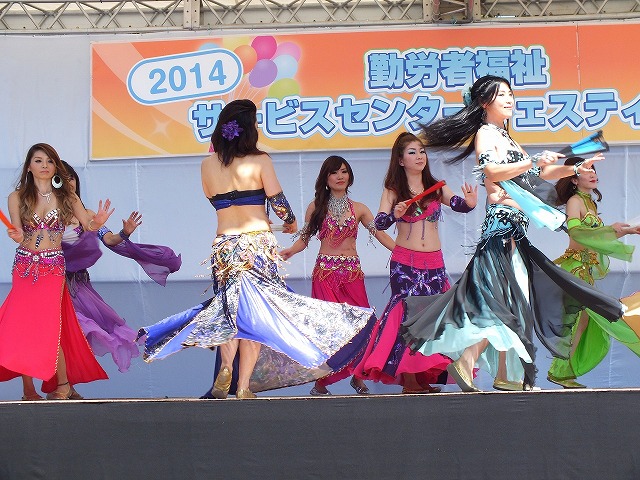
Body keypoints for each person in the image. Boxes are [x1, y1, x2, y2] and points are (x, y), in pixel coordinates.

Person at [401, 75, 627, 391]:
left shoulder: (507, 138)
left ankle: (506, 374)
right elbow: (492, 170)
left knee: (513, 298)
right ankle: (469, 362)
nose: (509, 99)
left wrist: (573, 168)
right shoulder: (485, 134)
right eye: (502, 94)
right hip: (502, 228)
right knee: (503, 299)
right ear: (484, 102)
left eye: (510, 93)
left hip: (515, 229)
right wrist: (531, 161)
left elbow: (537, 175)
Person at [137, 99, 375, 399]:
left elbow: (213, 198)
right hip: (257, 245)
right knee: (257, 315)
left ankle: (226, 367)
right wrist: (289, 222)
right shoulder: (260, 160)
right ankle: (244, 386)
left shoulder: (207, 164)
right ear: (249, 128)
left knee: (230, 312)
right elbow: (280, 204)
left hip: (225, 247)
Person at [351, 132, 478, 393]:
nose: (420, 156)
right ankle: (408, 378)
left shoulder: (436, 187)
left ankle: (421, 376)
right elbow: (379, 223)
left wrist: (469, 203)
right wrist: (394, 215)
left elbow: (458, 204)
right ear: (400, 160)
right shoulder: (393, 191)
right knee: (407, 317)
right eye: (412, 152)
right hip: (406, 264)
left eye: (422, 151)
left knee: (432, 316)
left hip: (434, 263)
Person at [0, 143, 110, 400]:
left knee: (51, 324)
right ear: (29, 166)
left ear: (56, 166)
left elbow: (88, 224)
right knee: (23, 324)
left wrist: (97, 222)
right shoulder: (17, 197)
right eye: (38, 161)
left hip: (52, 268)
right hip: (25, 266)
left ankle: (63, 384)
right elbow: (18, 232)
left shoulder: (67, 197)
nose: (44, 165)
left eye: (49, 161)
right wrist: (17, 235)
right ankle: (28, 389)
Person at [279, 155, 395, 395]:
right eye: (334, 172)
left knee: (362, 325)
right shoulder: (316, 207)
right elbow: (304, 239)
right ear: (326, 178)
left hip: (352, 274)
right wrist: (290, 251)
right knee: (328, 328)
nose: (340, 176)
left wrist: (401, 250)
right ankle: (320, 383)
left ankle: (358, 376)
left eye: (344, 171)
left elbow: (380, 234)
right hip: (325, 274)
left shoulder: (360, 208)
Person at [60, 161, 181, 377]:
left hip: (78, 287)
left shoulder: (87, 214)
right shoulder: (47, 214)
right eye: (63, 178)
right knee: (62, 333)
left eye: (71, 177)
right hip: (54, 281)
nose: (69, 182)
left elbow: (109, 239)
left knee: (79, 333)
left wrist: (125, 233)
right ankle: (61, 383)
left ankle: (67, 383)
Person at [547, 156, 640, 388]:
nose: (593, 174)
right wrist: (610, 229)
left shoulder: (590, 203)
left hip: (585, 269)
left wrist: (626, 231)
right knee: (577, 320)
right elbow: (576, 233)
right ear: (574, 179)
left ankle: (563, 372)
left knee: (583, 321)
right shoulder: (574, 201)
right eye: (586, 170)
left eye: (593, 170)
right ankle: (560, 372)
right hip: (575, 267)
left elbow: (597, 237)